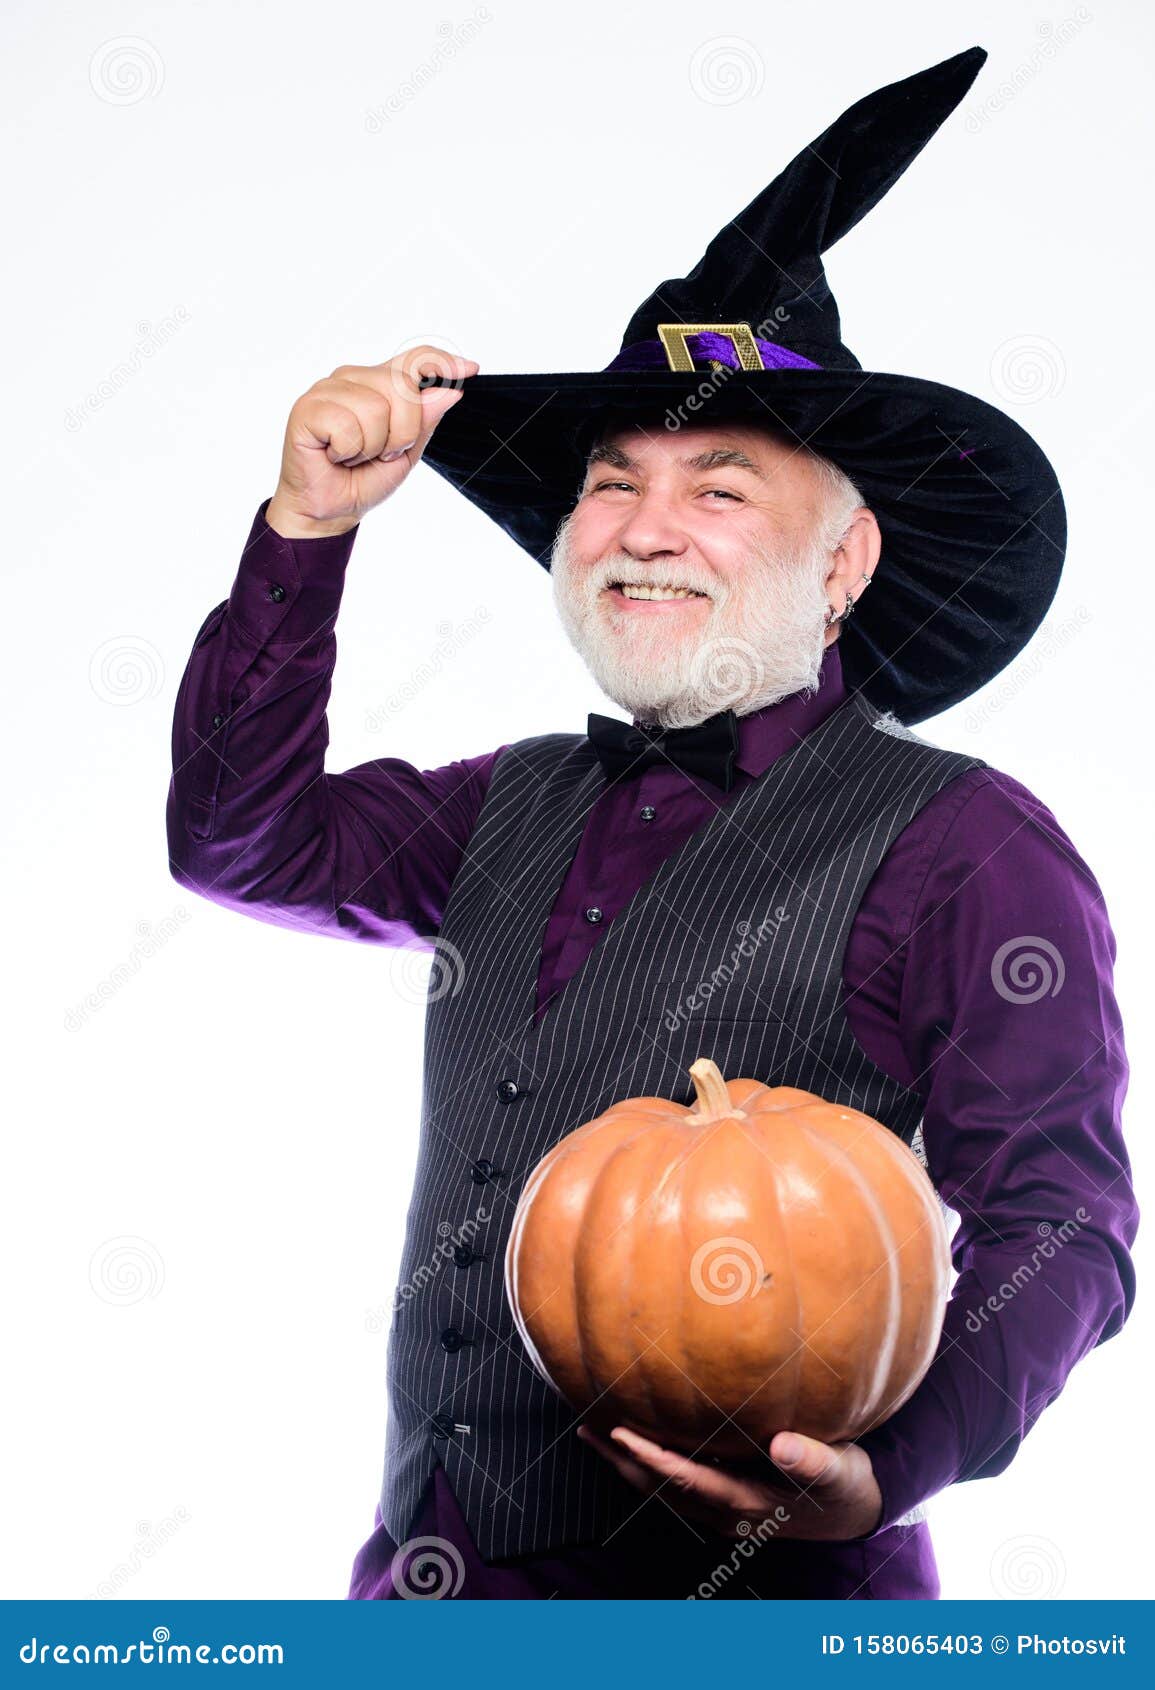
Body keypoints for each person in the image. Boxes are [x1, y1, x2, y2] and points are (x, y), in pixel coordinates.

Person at [166, 46, 1137, 1600]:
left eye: (723, 486)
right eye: (612, 484)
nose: (644, 527)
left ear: (845, 559)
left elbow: (1063, 1223)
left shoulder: (967, 846)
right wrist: (307, 533)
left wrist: (896, 1464)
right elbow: (238, 840)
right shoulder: (507, 801)